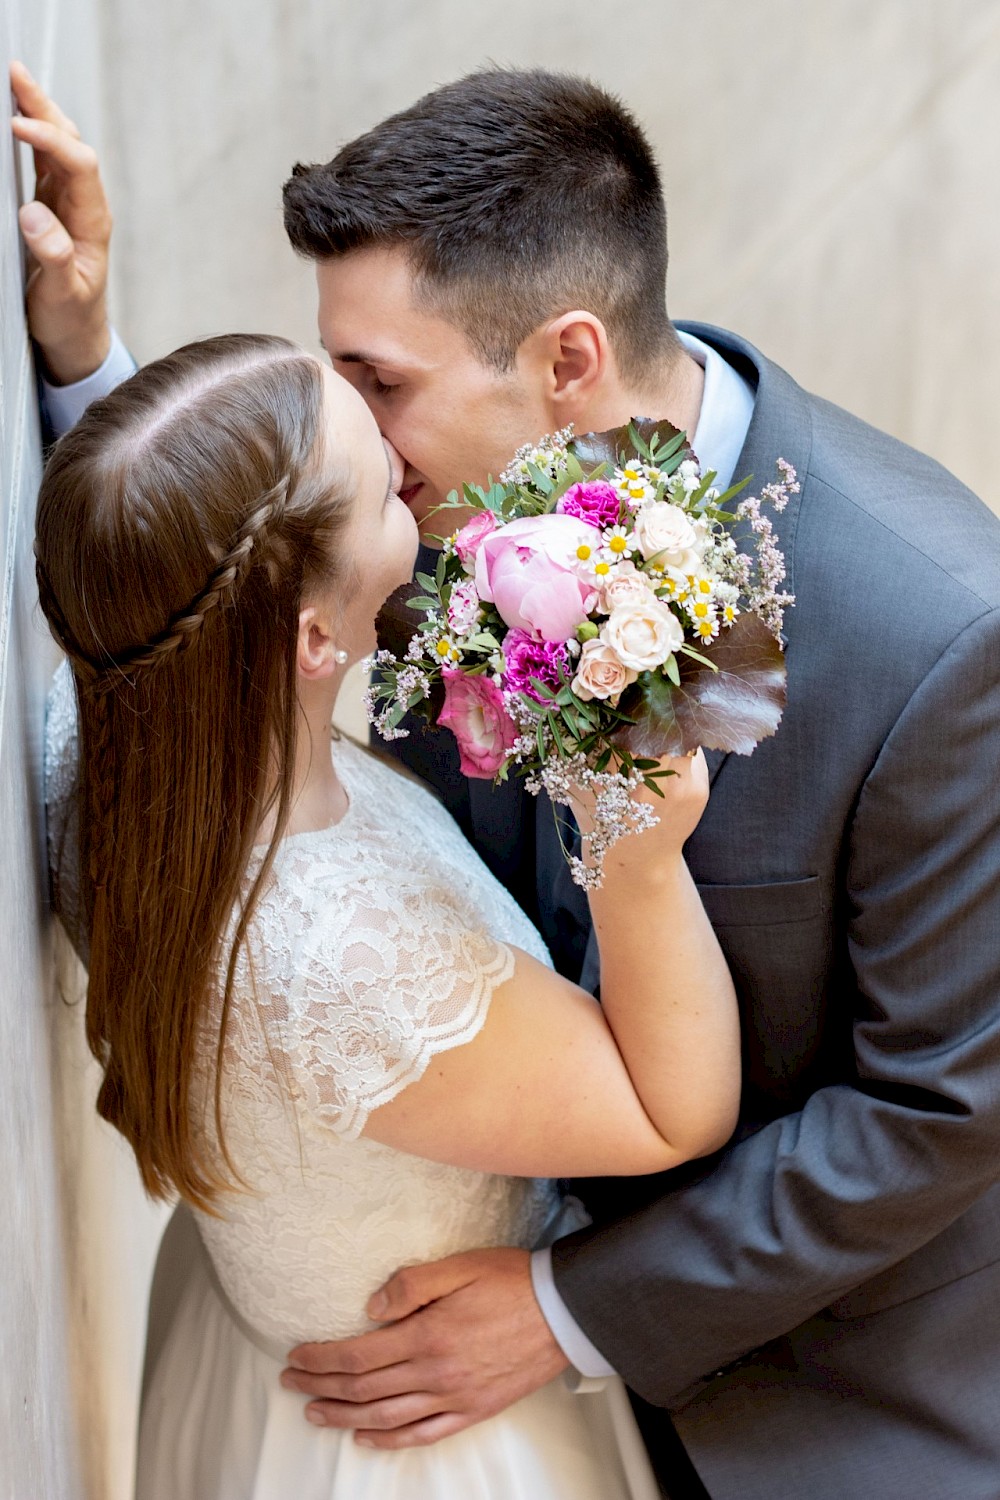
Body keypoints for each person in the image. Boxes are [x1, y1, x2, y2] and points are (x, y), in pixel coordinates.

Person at [15, 59, 1000, 1500]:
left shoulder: (943, 639)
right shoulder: (415, 506)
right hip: (410, 1366)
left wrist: (566, 1311)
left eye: (376, 383)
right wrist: (87, 366)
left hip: (808, 1399)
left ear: (566, 363)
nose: (346, 427)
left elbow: (941, 1113)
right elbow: (246, 592)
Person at [37, 327, 740, 1499]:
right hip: (425, 1443)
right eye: (378, 485)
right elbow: (673, 1114)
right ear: (314, 638)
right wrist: (641, 851)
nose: (409, 473)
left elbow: (161, 555)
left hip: (248, 1346)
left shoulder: (104, 737)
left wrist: (82, 364)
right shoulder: (347, 958)